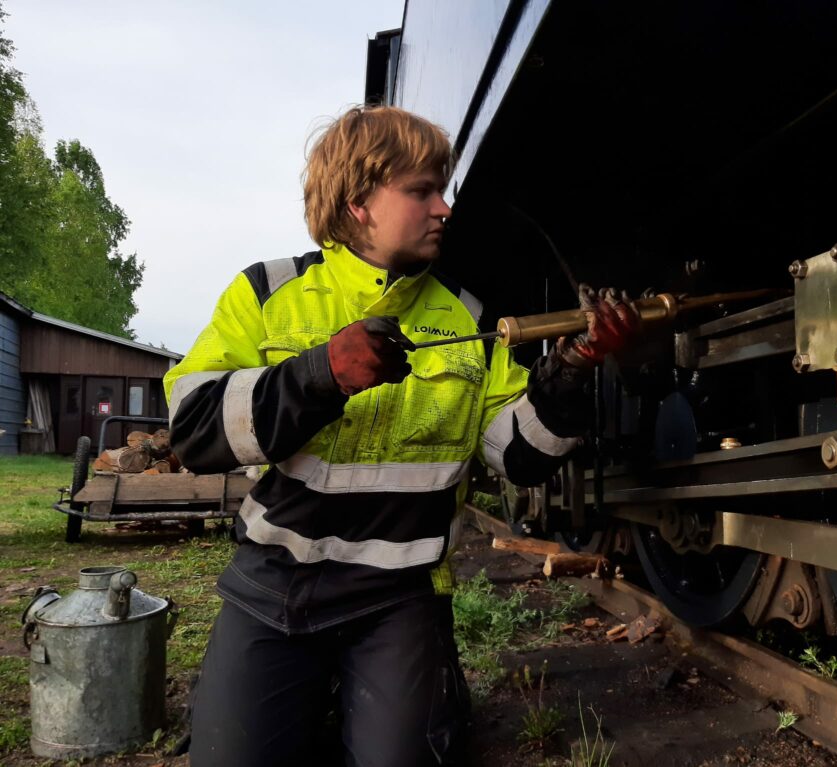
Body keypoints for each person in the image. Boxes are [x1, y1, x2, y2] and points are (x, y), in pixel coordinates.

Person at [163, 105, 638, 767]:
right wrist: (318, 373)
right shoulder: (268, 292)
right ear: (359, 201)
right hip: (275, 590)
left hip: (398, 599)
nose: (444, 208)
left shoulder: (466, 316)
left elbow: (520, 455)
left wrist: (571, 368)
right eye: (421, 191)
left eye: (441, 190)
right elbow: (192, 430)